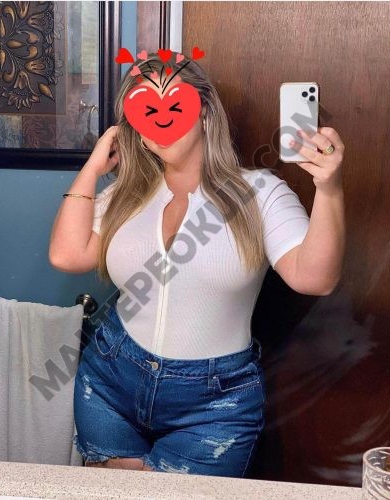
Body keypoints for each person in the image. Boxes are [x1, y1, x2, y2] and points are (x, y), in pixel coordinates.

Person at [49, 51, 345, 477]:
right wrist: (94, 167)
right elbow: (67, 255)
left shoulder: (261, 192)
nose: (160, 120)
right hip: (110, 381)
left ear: (204, 111)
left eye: (173, 103)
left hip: (215, 406)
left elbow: (314, 278)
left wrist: (329, 187)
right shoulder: (124, 196)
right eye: (144, 109)